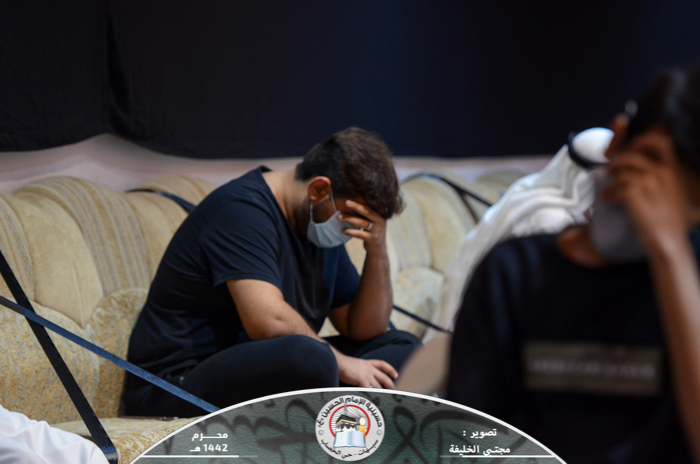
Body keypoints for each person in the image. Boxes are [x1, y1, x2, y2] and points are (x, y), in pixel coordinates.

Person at [447, 67, 700, 464]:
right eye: (650, 164)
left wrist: (670, 253)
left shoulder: (689, 280)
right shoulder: (514, 273)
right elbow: (469, 439)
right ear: (616, 140)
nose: (657, 198)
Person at [125, 127, 420, 417]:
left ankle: (342, 412)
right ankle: (348, 412)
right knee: (312, 359)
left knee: (404, 348)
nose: (349, 232)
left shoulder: (317, 224)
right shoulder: (242, 210)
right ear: (319, 190)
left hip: (265, 370)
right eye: (350, 220)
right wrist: (344, 365)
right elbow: (266, 322)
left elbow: (364, 329)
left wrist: (377, 250)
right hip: (177, 383)